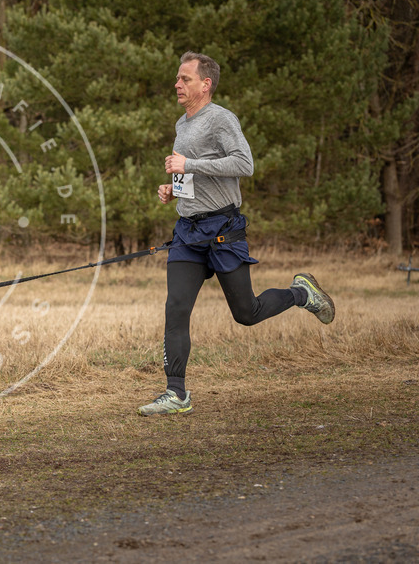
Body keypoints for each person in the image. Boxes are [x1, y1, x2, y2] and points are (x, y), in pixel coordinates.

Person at [138, 51, 335, 416]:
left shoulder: (221, 119)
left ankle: (301, 293)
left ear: (205, 84)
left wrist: (189, 163)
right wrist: (174, 190)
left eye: (184, 79)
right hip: (188, 232)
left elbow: (244, 164)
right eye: (178, 79)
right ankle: (176, 393)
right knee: (176, 308)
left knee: (246, 312)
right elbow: (192, 176)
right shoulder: (182, 124)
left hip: (222, 230)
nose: (177, 84)